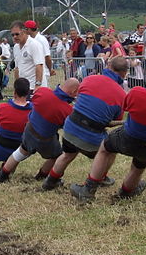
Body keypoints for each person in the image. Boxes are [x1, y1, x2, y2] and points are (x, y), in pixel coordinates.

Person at [70, 63, 146, 204]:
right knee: (138, 168)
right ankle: (126, 192)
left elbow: (126, 107)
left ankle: (88, 189)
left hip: (129, 138)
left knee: (105, 149)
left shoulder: (137, 92)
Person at [40, 57, 129, 191]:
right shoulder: (122, 95)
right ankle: (101, 177)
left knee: (67, 154)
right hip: (92, 138)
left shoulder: (89, 79)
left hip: (69, 129)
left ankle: (50, 182)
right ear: (124, 73)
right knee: (110, 151)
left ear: (109, 66)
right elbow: (111, 121)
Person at [0, 78, 80, 183]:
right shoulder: (67, 110)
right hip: (45, 139)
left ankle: (2, 175)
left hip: (29, 130)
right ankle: (41, 176)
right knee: (57, 157)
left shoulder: (43, 92)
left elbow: (33, 101)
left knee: (20, 151)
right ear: (73, 92)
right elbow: (66, 126)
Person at [10, 21, 44, 91]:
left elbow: (39, 66)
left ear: (24, 32)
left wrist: (37, 85)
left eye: (17, 34)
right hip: (22, 88)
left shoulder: (34, 44)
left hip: (33, 87)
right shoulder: (16, 47)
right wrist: (17, 86)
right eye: (12, 35)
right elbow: (17, 68)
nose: (14, 37)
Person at [24, 20, 52, 86]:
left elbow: (47, 57)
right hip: (31, 73)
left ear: (29, 29)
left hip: (42, 72)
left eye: (25, 29)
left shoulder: (41, 40)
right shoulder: (29, 40)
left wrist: (50, 69)